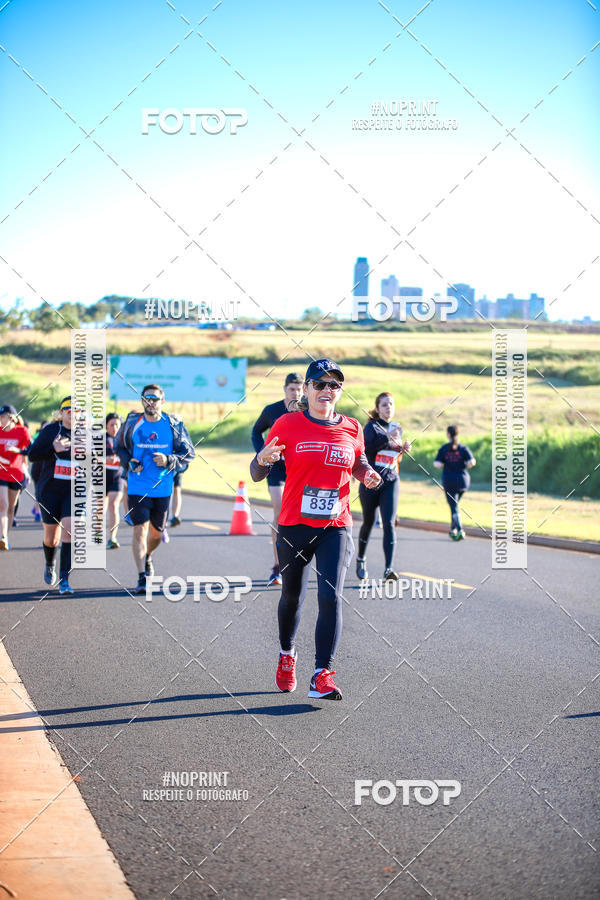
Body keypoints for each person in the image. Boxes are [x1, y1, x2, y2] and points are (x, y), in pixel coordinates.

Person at [250, 359, 381, 701]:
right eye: (319, 384)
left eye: (333, 385)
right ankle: (287, 654)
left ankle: (322, 674)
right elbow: (257, 473)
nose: (327, 390)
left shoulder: (352, 427)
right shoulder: (287, 424)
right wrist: (263, 459)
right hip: (294, 525)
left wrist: (367, 473)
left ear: (340, 391)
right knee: (292, 597)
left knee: (330, 596)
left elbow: (358, 461)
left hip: (335, 525)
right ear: (306, 389)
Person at [115, 384, 195, 594]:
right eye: (147, 398)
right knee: (139, 530)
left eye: (155, 399)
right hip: (137, 486)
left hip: (162, 488)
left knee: (156, 534)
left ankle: (148, 556)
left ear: (162, 401)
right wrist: (128, 461)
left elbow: (189, 453)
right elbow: (119, 446)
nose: (151, 402)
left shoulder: (173, 424)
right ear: (142, 401)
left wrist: (169, 460)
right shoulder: (132, 423)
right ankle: (142, 577)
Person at [252, 373, 303, 586]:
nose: (295, 393)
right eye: (292, 389)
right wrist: (263, 455)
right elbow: (256, 431)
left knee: (301, 516)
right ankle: (278, 565)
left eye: (299, 389)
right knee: (281, 512)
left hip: (299, 470)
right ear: (284, 389)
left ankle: (296, 562)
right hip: (276, 470)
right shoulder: (272, 411)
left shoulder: (307, 412)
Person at [356, 392, 411, 581]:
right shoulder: (371, 427)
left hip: (391, 480)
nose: (389, 408)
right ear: (377, 408)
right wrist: (387, 437)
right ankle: (361, 558)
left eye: (391, 404)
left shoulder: (397, 427)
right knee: (369, 522)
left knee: (388, 523)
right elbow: (366, 450)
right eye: (385, 405)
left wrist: (403, 448)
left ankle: (388, 569)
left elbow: (393, 452)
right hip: (371, 480)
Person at [28, 397, 74, 593]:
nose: (73, 414)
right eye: (69, 410)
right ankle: (50, 563)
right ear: (61, 413)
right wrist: (52, 449)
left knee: (70, 530)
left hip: (74, 490)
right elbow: (32, 455)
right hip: (50, 491)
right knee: (51, 538)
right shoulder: (51, 431)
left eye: (78, 411)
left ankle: (64, 579)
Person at [433, 425, 476, 540]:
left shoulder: (444, 448)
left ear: (448, 434)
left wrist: (442, 463)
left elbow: (436, 464)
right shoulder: (463, 448)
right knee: (454, 505)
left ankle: (460, 529)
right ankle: (453, 529)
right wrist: (467, 464)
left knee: (454, 506)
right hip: (463, 481)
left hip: (449, 481)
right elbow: (472, 461)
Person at [0, 405, 31, 550]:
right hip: (1, 472)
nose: (1, 420)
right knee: (3, 504)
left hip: (16, 473)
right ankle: (3, 536)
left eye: (3, 417)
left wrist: (18, 450)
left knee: (11, 508)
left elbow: (32, 450)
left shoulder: (22, 431)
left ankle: (5, 536)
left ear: (11, 417)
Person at [105, 413, 125, 549]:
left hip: (117, 477)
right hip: (100, 477)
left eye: (117, 425)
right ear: (106, 425)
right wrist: (104, 460)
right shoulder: (100, 439)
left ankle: (112, 538)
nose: (114, 428)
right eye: (111, 425)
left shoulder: (124, 441)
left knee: (113, 505)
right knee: (100, 509)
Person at [29, 420, 48, 523]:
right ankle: (37, 511)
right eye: (44, 427)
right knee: (38, 492)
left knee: (44, 493)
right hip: (37, 469)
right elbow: (31, 450)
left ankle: (38, 508)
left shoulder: (54, 436)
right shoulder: (36, 436)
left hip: (47, 469)